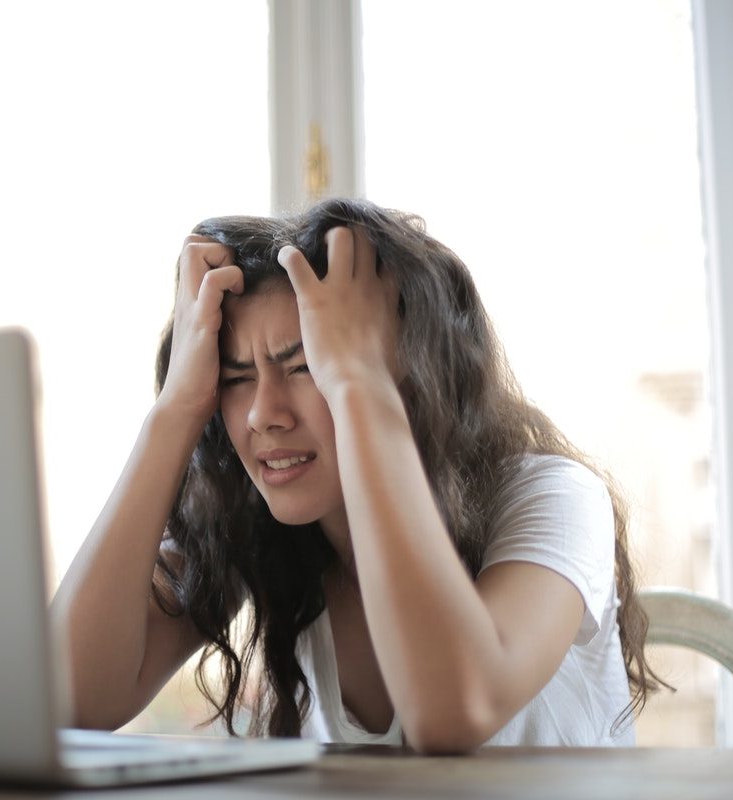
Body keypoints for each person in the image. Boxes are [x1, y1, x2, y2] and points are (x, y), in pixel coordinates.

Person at [53, 197, 663, 752]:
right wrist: (175, 409)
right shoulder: (262, 529)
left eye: (307, 366)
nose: (264, 414)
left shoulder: (554, 496)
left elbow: (453, 711)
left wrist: (358, 384)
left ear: (410, 371)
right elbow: (68, 700)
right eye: (236, 378)